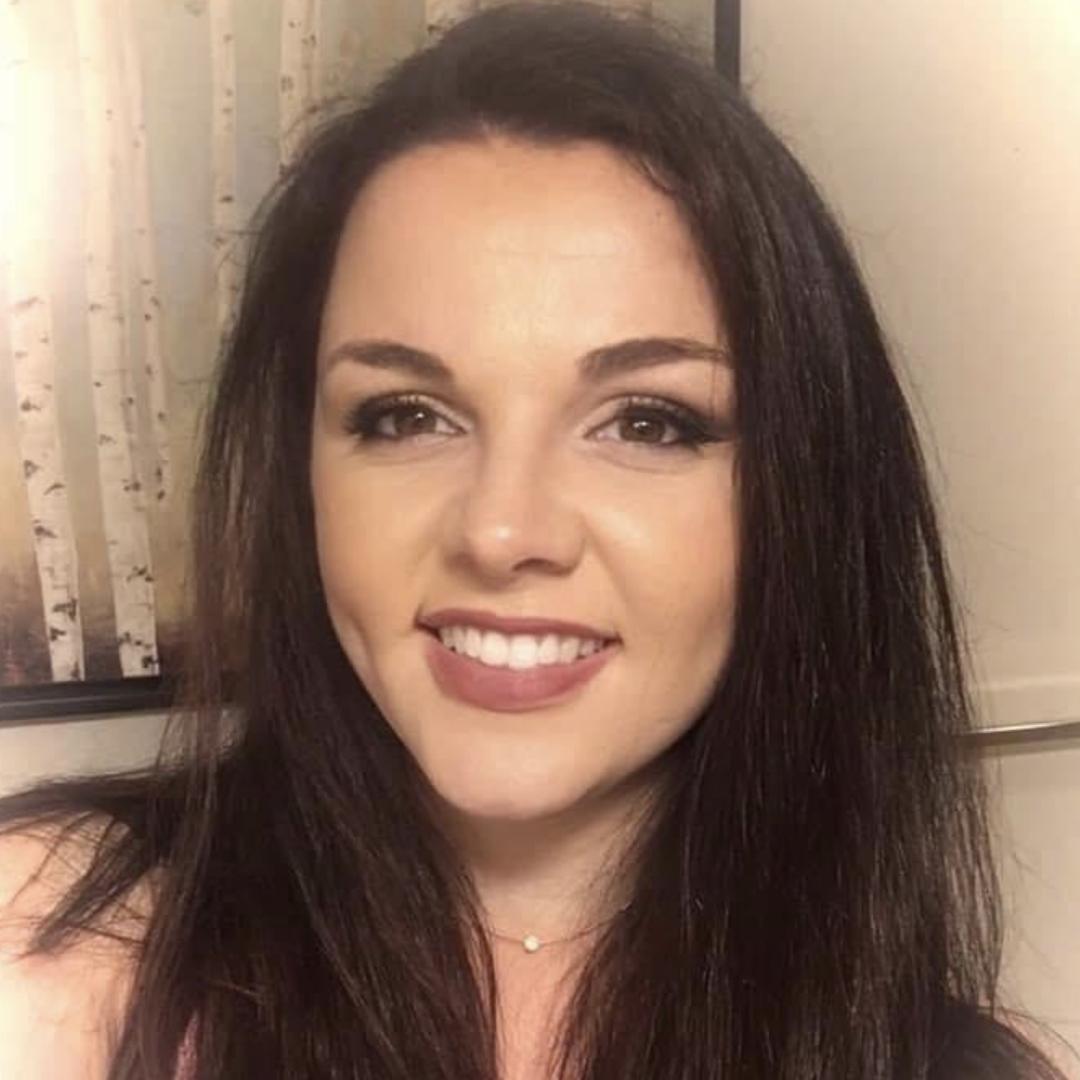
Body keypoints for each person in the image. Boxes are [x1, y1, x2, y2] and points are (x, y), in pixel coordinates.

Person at [0, 2, 1072, 1077]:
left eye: (648, 422)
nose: (501, 530)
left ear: (803, 493)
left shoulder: (956, 1064)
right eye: (405, 416)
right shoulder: (52, 954)